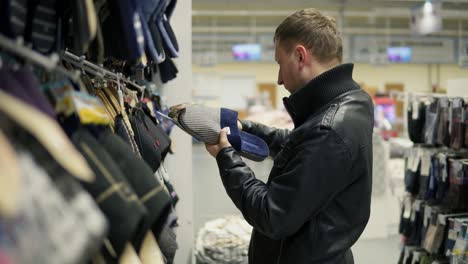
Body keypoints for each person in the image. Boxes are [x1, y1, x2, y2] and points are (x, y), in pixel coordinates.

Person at [205, 8, 374, 264]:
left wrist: (226, 157)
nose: (279, 79)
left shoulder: (328, 130)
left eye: (280, 64)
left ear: (300, 56)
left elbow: (272, 215)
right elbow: (299, 147)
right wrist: (245, 128)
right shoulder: (351, 103)